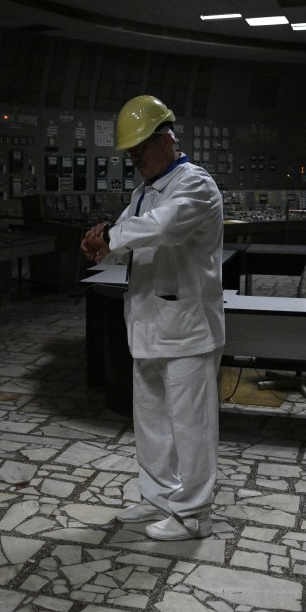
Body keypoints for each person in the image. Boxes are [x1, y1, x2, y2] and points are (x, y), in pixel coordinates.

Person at [80, 95, 225, 541]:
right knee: (153, 421)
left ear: (165, 138)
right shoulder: (144, 192)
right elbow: (127, 231)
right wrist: (102, 237)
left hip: (187, 331)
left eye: (141, 148)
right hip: (149, 327)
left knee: (190, 425)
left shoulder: (195, 185)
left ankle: (193, 514)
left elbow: (162, 228)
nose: (135, 159)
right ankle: (159, 497)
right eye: (130, 153)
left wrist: (111, 234)